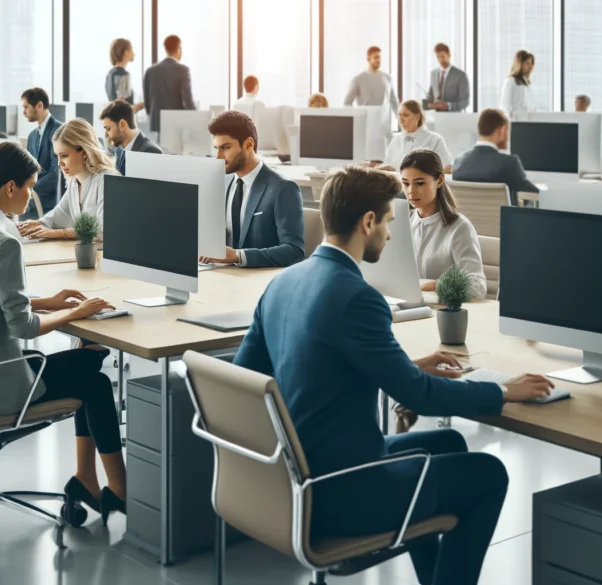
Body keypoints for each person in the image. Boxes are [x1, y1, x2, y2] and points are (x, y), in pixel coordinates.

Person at [233, 164, 553, 585]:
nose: (388, 233)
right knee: (488, 475)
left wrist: (405, 368)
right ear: (367, 222)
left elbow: (245, 378)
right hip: (341, 491)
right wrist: (501, 392)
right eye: (387, 222)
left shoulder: (284, 281)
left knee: (450, 442)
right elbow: (419, 397)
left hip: (291, 475)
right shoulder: (357, 297)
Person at [0, 142, 126, 523]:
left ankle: (87, 480)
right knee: (93, 381)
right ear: (10, 188)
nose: (32, 196)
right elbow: (22, 326)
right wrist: (77, 311)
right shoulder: (4, 240)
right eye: (29, 186)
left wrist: (50, 301)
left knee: (91, 359)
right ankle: (118, 489)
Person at [198, 111, 305, 268]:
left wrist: (238, 256)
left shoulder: (283, 188)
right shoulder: (222, 182)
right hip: (221, 276)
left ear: (248, 144)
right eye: (216, 148)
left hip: (257, 281)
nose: (218, 157)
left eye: (225, 148)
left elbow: (295, 251)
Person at [402, 149, 487, 299]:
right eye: (405, 183)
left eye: (419, 183)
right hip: (410, 306)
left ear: (440, 181)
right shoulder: (403, 224)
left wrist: (438, 284)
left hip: (444, 312)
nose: (411, 191)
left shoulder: (459, 227)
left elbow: (478, 286)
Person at [17, 119, 118, 241]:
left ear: (84, 152)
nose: (60, 163)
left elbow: (103, 231)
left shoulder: (107, 179)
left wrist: (58, 233)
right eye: (57, 156)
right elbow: (58, 216)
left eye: (64, 155)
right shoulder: (75, 182)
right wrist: (37, 224)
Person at [452, 108, 539, 207]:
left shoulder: (458, 162)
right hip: (504, 222)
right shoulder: (509, 163)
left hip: (468, 222)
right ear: (502, 130)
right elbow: (533, 194)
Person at [19, 87, 64, 220]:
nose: (23, 112)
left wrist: (29, 191)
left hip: (50, 204)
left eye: (26, 107)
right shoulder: (32, 136)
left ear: (39, 105)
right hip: (33, 203)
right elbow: (30, 171)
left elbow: (55, 173)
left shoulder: (60, 131)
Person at [378, 100, 454, 173]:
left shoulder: (435, 139)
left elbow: (447, 168)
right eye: (399, 115)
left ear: (417, 117)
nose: (400, 120)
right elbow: (389, 165)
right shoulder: (396, 139)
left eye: (405, 115)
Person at [142, 35, 196, 133]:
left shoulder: (150, 71)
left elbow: (147, 103)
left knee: (160, 147)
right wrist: (197, 118)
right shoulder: (183, 70)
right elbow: (188, 100)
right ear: (179, 48)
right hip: (176, 123)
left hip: (157, 124)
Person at [99, 100, 163, 176]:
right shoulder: (119, 150)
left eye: (108, 129)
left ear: (122, 125)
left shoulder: (150, 151)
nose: (106, 135)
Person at [344, 46, 399, 114]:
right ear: (368, 58)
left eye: (379, 57)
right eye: (376, 57)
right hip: (365, 122)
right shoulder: (358, 79)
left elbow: (394, 103)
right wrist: (357, 117)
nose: (378, 60)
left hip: (384, 122)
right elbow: (347, 103)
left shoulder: (388, 79)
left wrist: (400, 123)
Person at [425, 43, 469, 112]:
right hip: (436, 116)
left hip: (452, 117)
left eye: (443, 57)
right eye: (438, 57)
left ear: (449, 55)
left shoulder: (460, 75)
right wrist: (427, 103)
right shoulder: (433, 74)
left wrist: (448, 106)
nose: (440, 60)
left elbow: (465, 102)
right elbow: (430, 97)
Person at [105, 38, 143, 113]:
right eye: (132, 50)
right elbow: (124, 109)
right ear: (126, 53)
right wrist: (146, 104)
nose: (134, 54)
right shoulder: (123, 74)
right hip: (123, 122)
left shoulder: (110, 74)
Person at [500, 50, 535, 121]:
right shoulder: (510, 81)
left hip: (527, 121)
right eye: (527, 63)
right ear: (520, 64)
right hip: (515, 122)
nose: (530, 66)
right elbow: (505, 106)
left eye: (531, 63)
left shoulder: (527, 83)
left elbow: (530, 105)